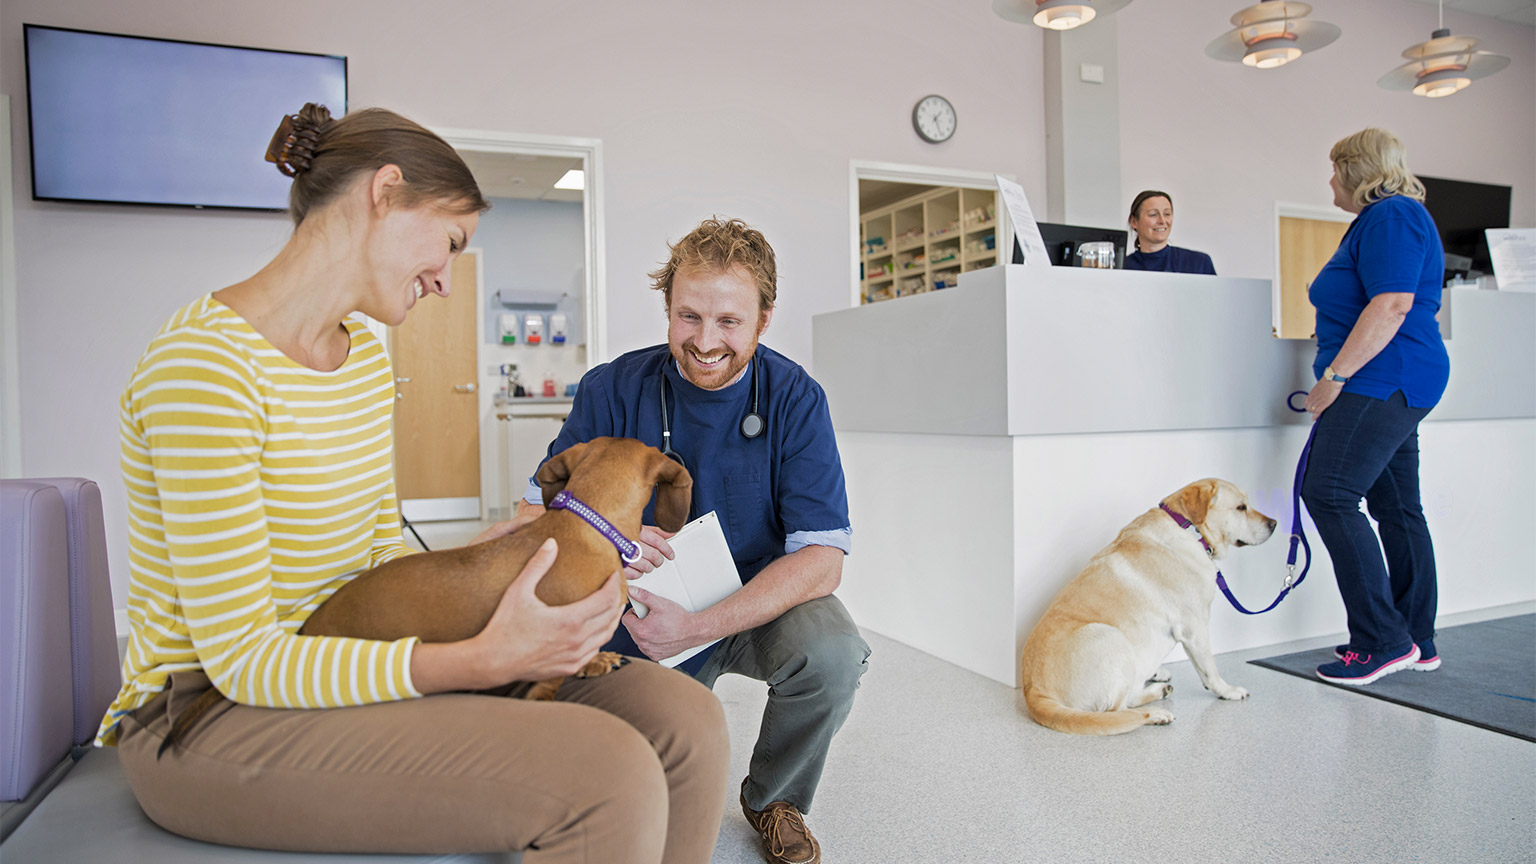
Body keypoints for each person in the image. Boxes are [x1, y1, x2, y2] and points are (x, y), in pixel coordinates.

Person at [99, 102, 729, 863]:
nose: (447, 281)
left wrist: (484, 564)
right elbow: (240, 658)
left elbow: (375, 557)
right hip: (211, 714)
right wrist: (486, 660)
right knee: (609, 774)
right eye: (453, 242)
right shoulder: (203, 369)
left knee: (684, 720)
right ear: (385, 192)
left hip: (350, 650)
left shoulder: (361, 356)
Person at [520, 217, 871, 864]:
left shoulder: (796, 399)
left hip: (756, 600)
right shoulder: (613, 389)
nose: (705, 342)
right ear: (668, 308)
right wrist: (611, 542)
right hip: (644, 603)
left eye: (729, 323)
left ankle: (776, 800)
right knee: (629, 786)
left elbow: (822, 560)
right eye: (688, 317)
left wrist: (701, 625)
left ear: (764, 320)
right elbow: (532, 512)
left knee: (832, 655)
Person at [1301, 128, 1449, 686]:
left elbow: (1391, 305)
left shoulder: (1391, 217)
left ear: (1356, 170)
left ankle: (1381, 641)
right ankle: (1414, 639)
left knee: (1330, 493)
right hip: (1395, 378)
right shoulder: (1387, 220)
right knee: (1397, 508)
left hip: (1380, 378)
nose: (1330, 180)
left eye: (1335, 169)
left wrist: (1335, 376)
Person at [1122, 189, 1217, 274]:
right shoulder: (1121, 268)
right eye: (1153, 214)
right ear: (1133, 221)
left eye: (1167, 214)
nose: (1162, 221)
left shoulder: (1199, 263)